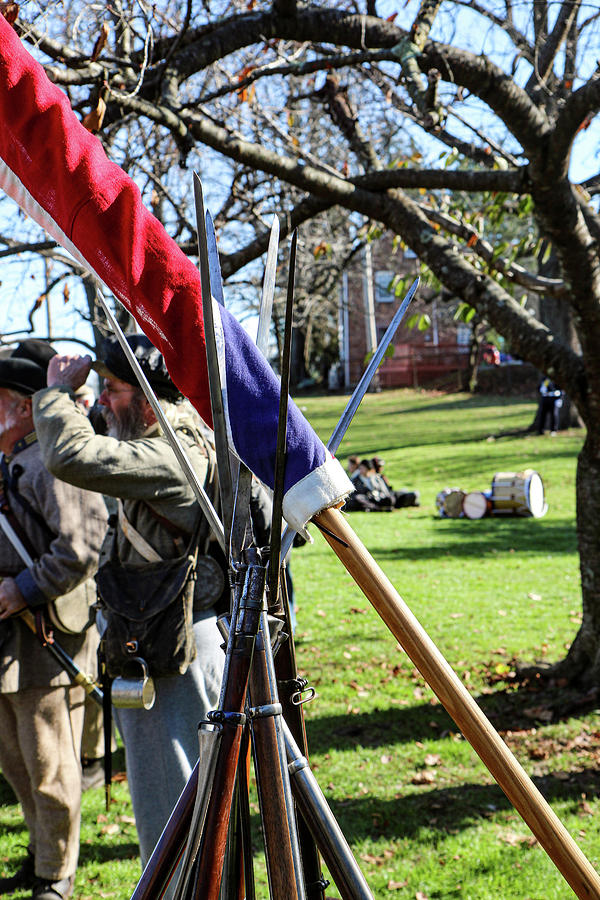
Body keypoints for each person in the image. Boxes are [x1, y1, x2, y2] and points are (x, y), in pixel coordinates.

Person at [31, 334, 226, 883]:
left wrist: (56, 393)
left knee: (169, 809)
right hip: (166, 639)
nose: (102, 401)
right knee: (176, 803)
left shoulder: (176, 452)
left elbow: (71, 455)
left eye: (113, 389)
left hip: (173, 651)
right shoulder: (168, 439)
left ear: (146, 398)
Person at [0, 340, 107, 900]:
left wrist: (22, 588)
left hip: (43, 635)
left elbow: (83, 547)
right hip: (7, 640)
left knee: (49, 764)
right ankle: (43, 856)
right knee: (15, 762)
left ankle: (57, 874)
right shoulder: (10, 461)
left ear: (23, 407)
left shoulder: (50, 462)